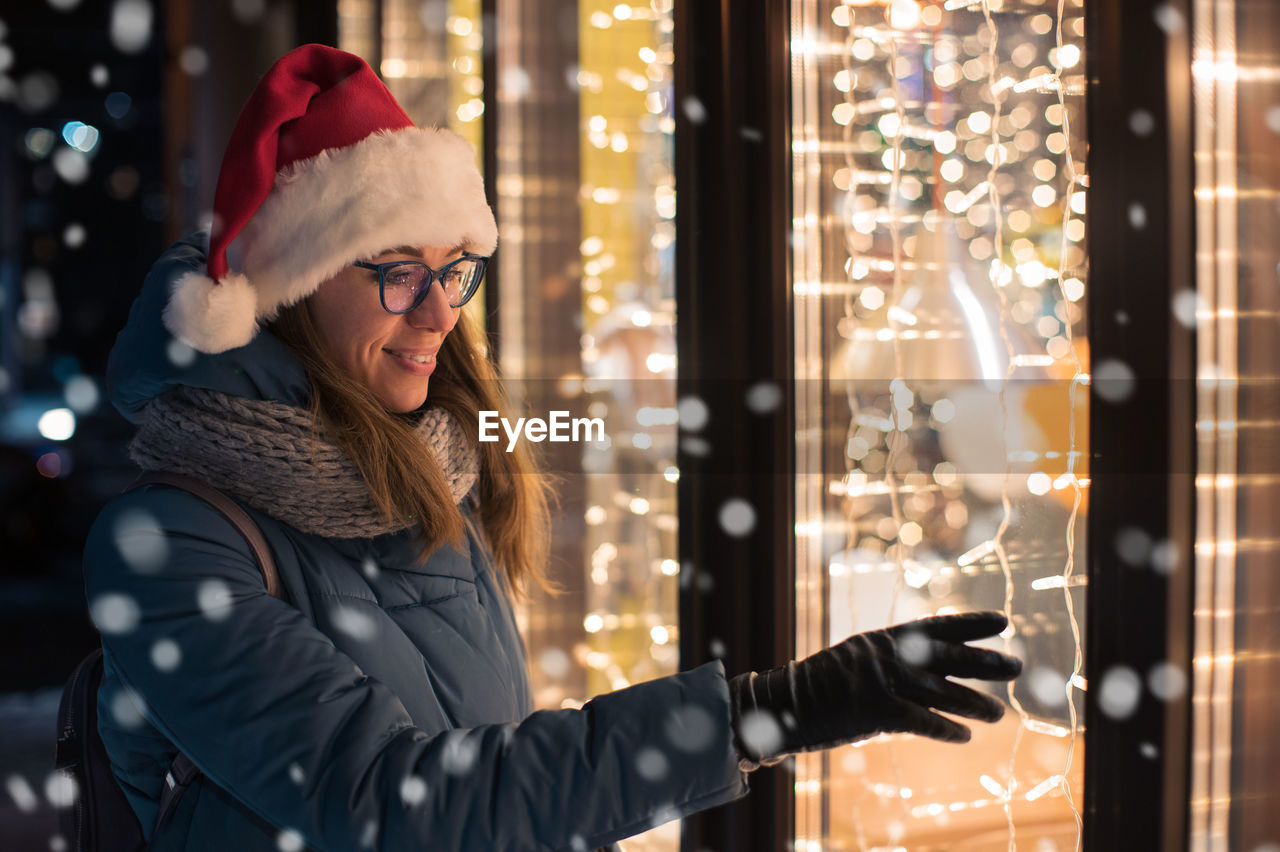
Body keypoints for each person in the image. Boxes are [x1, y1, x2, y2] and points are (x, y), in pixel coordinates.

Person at [84, 44, 1022, 851]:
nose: (443, 310)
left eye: (456, 269)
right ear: (292, 285)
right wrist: (762, 713)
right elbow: (387, 803)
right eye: (399, 272)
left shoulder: (431, 466)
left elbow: (486, 762)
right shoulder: (168, 545)